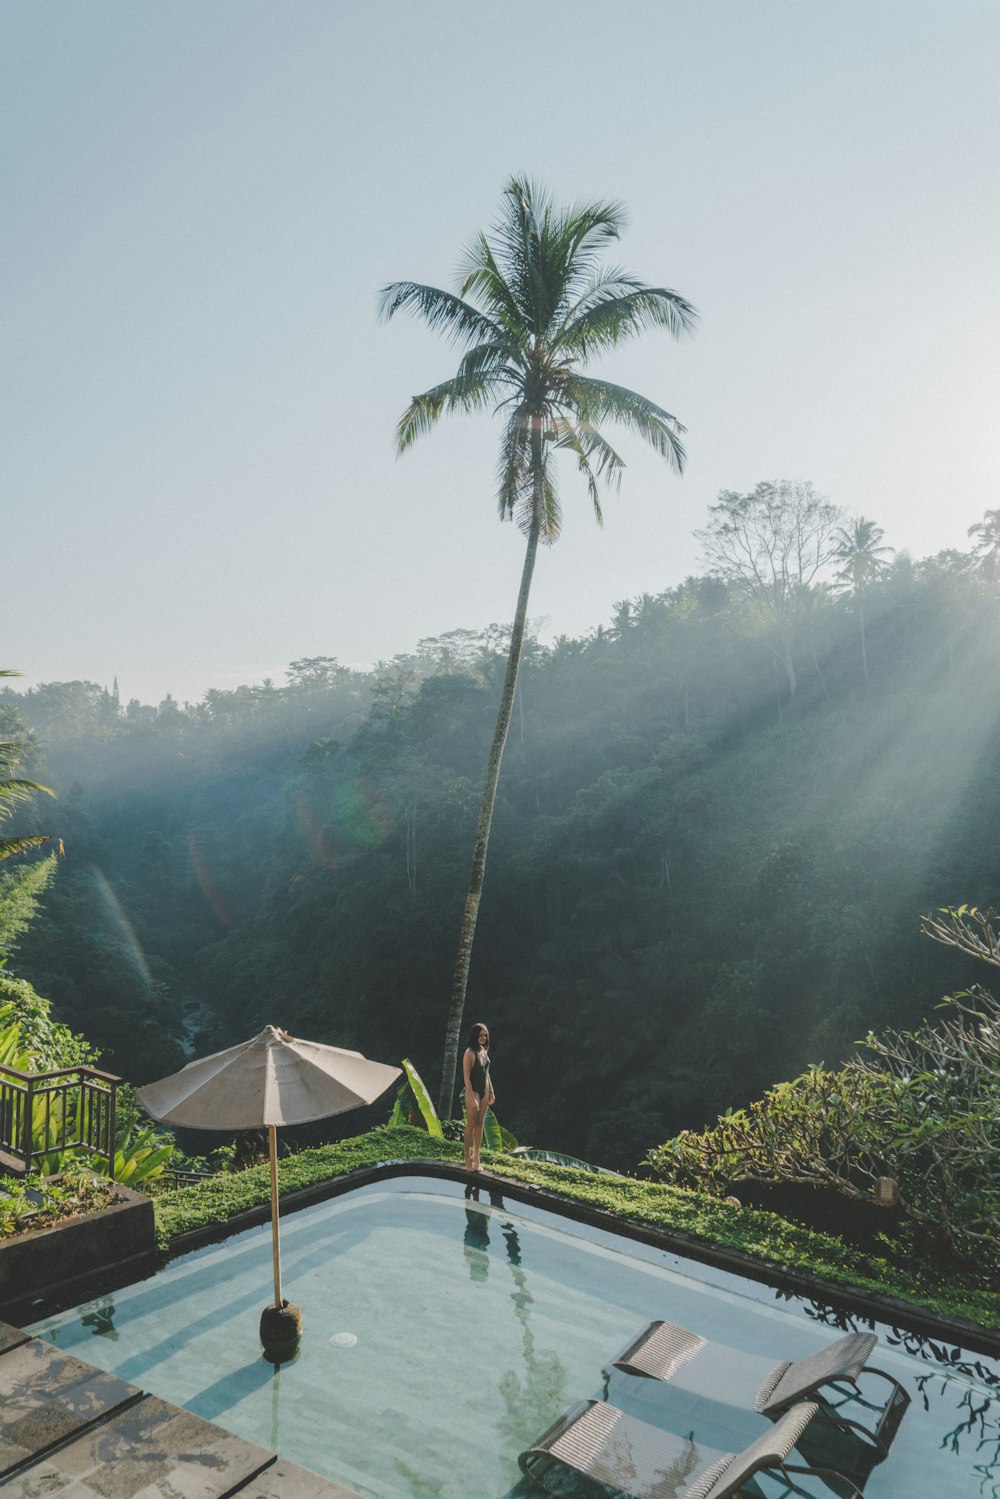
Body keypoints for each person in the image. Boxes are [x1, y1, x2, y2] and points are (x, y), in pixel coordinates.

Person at [462, 1021, 495, 1173]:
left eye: (485, 1035)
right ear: (475, 1035)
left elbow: (487, 1073)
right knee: (471, 1124)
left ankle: (477, 1157)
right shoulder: (469, 1052)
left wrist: (492, 1091)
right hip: (473, 1089)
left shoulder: (483, 1051)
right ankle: (467, 1160)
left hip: (485, 1089)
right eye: (481, 1035)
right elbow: (466, 1077)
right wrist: (471, 1096)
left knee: (480, 1124)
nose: (483, 1037)